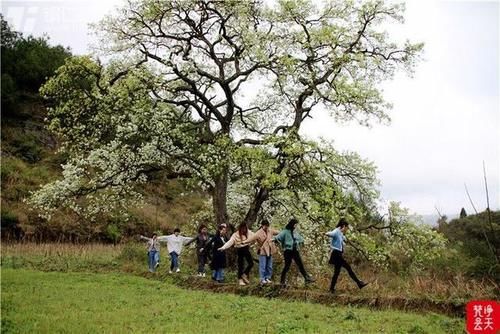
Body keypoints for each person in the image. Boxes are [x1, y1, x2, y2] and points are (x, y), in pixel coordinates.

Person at [326, 218, 368, 293]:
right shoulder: (336, 231)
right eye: (347, 228)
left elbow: (343, 239)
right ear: (344, 226)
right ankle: (359, 283)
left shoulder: (341, 233)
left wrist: (346, 240)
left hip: (338, 254)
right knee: (348, 267)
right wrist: (325, 233)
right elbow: (330, 234)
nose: (347, 229)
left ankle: (331, 289)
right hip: (336, 254)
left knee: (336, 272)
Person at [273, 218, 315, 287]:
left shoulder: (295, 232)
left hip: (295, 250)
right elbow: (279, 236)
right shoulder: (285, 231)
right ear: (292, 224)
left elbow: (300, 238)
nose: (296, 226)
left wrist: (301, 242)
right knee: (287, 266)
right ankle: (282, 281)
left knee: (300, 264)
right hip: (288, 251)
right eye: (295, 224)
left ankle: (307, 278)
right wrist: (274, 239)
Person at [242, 219, 279, 284]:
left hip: (270, 250)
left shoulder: (270, 230)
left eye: (267, 226)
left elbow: (279, 233)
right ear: (262, 225)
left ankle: (268, 278)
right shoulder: (258, 233)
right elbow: (251, 238)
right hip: (263, 251)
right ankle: (262, 279)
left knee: (269, 266)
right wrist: (244, 242)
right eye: (265, 226)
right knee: (263, 265)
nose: (267, 227)